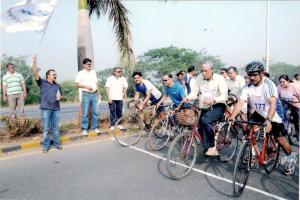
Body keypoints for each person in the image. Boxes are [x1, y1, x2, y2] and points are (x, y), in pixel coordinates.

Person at [230, 61, 297, 175]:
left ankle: (291, 156)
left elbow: (272, 104)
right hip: (260, 113)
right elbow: (240, 103)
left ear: (261, 73)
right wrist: (232, 116)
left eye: (254, 74)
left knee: (281, 140)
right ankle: (253, 153)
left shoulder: (268, 85)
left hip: (274, 113)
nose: (251, 77)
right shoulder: (247, 87)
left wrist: (269, 120)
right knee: (247, 129)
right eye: (249, 75)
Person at [190, 61, 228, 156]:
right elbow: (194, 92)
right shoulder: (199, 77)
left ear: (212, 70)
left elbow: (224, 96)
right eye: (202, 71)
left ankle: (212, 146)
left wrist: (214, 100)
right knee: (199, 125)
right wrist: (187, 97)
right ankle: (206, 145)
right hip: (205, 105)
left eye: (205, 71)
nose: (203, 73)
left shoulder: (219, 79)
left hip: (218, 105)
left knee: (205, 120)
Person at [31, 55, 63, 153]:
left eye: (56, 74)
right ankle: (46, 146)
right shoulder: (42, 83)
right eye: (54, 74)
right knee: (46, 129)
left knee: (55, 128)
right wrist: (34, 62)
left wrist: (60, 97)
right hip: (46, 109)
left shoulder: (58, 85)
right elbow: (35, 72)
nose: (55, 75)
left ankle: (57, 144)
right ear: (48, 75)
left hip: (56, 109)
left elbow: (61, 95)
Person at [75, 58, 101, 136]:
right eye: (88, 64)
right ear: (84, 65)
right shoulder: (80, 73)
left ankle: (95, 127)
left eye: (90, 64)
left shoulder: (93, 72)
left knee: (95, 112)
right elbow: (76, 84)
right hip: (86, 94)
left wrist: (99, 93)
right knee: (85, 112)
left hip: (95, 94)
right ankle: (85, 129)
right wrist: (86, 86)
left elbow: (96, 83)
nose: (90, 65)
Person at [277, 74, 300, 140]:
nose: (282, 83)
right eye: (280, 82)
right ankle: (286, 131)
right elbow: (275, 96)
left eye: (283, 82)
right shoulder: (279, 87)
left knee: (298, 122)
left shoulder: (295, 86)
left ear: (288, 81)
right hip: (286, 103)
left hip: (296, 105)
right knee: (282, 117)